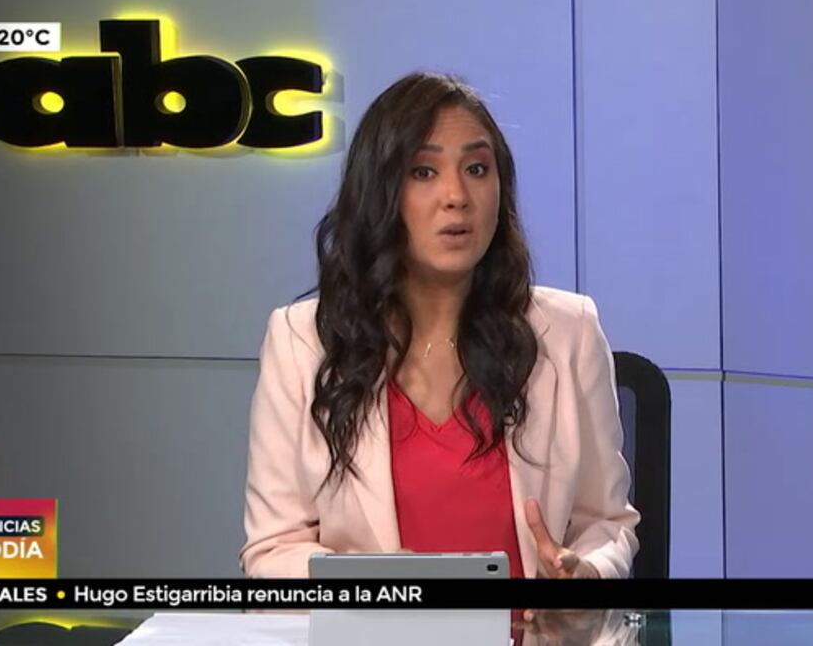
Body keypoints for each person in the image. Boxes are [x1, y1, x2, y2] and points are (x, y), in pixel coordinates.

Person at [239, 71, 639, 583]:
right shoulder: (302, 342)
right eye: (424, 172)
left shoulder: (569, 332)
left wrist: (585, 579)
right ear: (380, 192)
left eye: (477, 169)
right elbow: (272, 552)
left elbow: (606, 525)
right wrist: (379, 589)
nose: (457, 196)